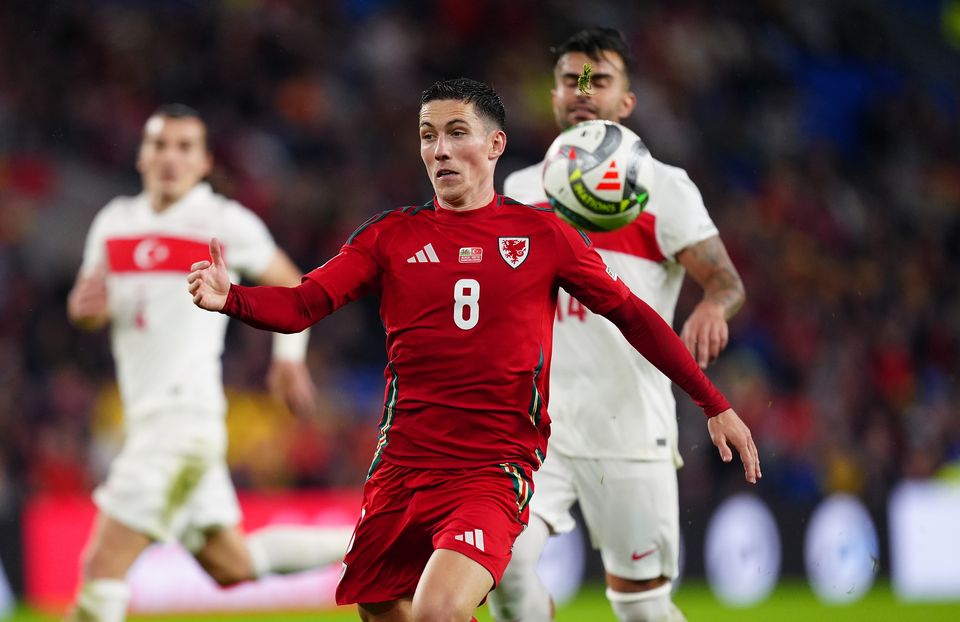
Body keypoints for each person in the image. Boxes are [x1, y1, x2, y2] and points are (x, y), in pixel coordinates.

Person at [187, 77, 759, 622]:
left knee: (439, 609)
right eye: (428, 135)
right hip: (401, 467)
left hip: (492, 468)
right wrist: (231, 297)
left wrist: (714, 403)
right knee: (382, 606)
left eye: (457, 132)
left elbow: (635, 316)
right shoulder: (390, 236)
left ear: (494, 144)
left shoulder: (543, 234)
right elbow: (303, 305)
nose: (440, 149)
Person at [487, 28, 748, 622]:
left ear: (626, 102)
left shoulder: (666, 188)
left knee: (642, 609)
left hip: (630, 424)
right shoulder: (520, 190)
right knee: (501, 570)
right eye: (570, 81)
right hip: (534, 426)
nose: (583, 93)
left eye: (598, 80)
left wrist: (711, 305)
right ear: (552, 97)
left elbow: (727, 281)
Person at [66, 104, 353, 622]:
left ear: (204, 162)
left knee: (100, 569)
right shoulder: (113, 221)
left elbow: (295, 287)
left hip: (181, 420)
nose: (170, 157)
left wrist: (288, 357)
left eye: (184, 147)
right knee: (233, 565)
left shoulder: (222, 221)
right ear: (140, 156)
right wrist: (85, 312)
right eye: (159, 144)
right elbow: (88, 303)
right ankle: (371, 538)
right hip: (151, 420)